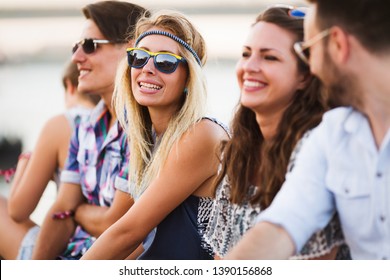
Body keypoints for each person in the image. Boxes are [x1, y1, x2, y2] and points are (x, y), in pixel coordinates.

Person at [226, 0, 390, 260]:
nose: (311, 68)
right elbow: (280, 227)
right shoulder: (334, 134)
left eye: (308, 51)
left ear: (338, 45)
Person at [81, 10, 230, 260]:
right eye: (139, 57)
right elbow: (145, 241)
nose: (147, 69)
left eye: (165, 62)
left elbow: (128, 232)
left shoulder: (201, 134)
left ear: (188, 79)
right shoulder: (149, 139)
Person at [204, 5, 349, 260]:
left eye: (269, 57)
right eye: (246, 54)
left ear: (305, 76)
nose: (250, 66)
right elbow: (221, 256)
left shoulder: (320, 147)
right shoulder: (239, 149)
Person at [30, 1, 148, 260]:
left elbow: (115, 224)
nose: (76, 57)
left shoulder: (144, 128)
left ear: (131, 49)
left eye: (90, 46)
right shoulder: (86, 127)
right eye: (76, 46)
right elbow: (60, 210)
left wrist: (78, 212)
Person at [0, 60, 98, 260]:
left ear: (70, 87)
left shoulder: (64, 123)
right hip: (105, 249)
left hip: (66, 253)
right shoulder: (114, 126)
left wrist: (23, 164)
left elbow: (18, 211)